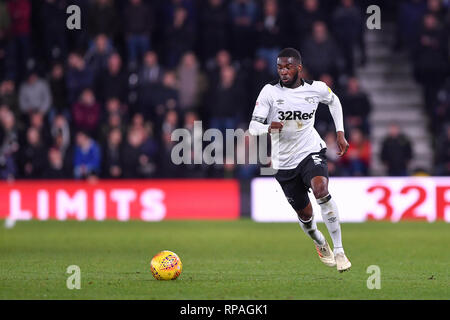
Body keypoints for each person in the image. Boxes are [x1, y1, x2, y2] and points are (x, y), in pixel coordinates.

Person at [249, 48, 351, 272]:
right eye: (279, 67)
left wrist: (341, 132)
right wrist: (268, 127)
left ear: (298, 68)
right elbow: (253, 127)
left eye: (287, 67)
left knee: (321, 190)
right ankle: (318, 240)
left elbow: (334, 102)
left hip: (310, 151)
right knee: (305, 216)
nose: (283, 71)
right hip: (283, 163)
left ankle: (340, 250)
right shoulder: (269, 92)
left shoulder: (317, 89)